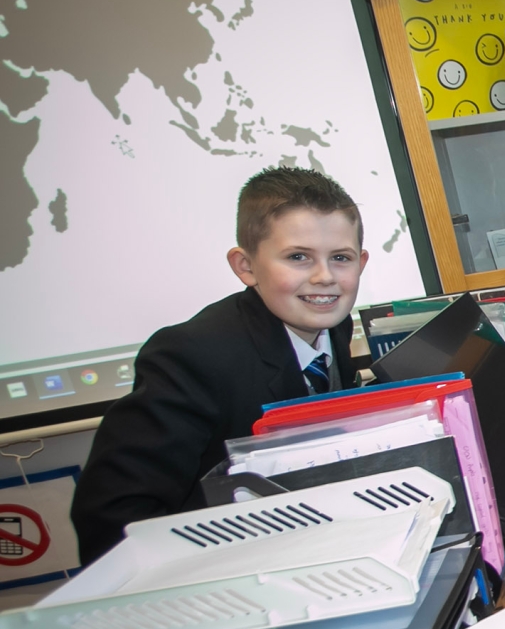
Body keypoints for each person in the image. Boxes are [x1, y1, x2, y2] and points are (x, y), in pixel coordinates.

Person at [70, 168, 368, 564]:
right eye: (298, 257)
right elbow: (111, 519)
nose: (324, 277)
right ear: (246, 266)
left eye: (340, 258)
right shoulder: (191, 355)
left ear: (361, 262)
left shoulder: (332, 323)